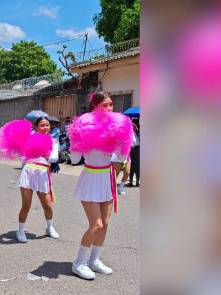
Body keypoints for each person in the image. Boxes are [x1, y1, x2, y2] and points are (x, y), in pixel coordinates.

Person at [69, 92, 127, 280]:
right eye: (104, 105)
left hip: (106, 178)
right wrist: (76, 142)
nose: (109, 109)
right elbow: (75, 159)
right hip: (90, 178)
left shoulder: (116, 126)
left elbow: (120, 157)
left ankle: (94, 260)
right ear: (95, 107)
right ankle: (79, 263)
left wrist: (122, 142)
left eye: (111, 104)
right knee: (96, 224)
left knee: (105, 224)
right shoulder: (84, 126)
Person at [15, 114, 60, 242]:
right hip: (29, 172)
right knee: (26, 205)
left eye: (47, 125)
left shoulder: (53, 141)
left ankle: (49, 227)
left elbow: (54, 158)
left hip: (43, 174)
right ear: (36, 127)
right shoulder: (29, 139)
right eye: (42, 125)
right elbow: (22, 156)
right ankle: (20, 230)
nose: (45, 127)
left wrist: (41, 149)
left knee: (47, 205)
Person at [128, 118, 140, 187]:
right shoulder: (128, 131)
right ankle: (130, 181)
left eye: (135, 123)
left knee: (137, 166)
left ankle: (137, 181)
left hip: (137, 149)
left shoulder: (139, 132)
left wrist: (137, 129)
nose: (134, 125)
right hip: (130, 149)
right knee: (131, 165)